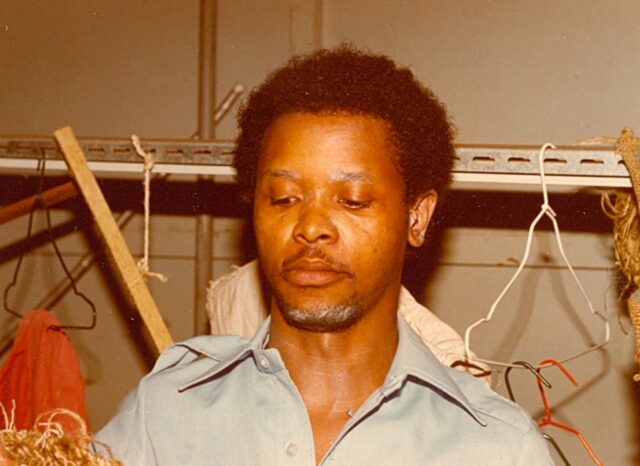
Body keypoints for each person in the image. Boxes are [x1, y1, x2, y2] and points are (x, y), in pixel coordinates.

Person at [97, 46, 554, 465]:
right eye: (283, 198)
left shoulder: (497, 449)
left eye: (352, 201)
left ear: (417, 217)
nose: (311, 226)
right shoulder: (164, 414)